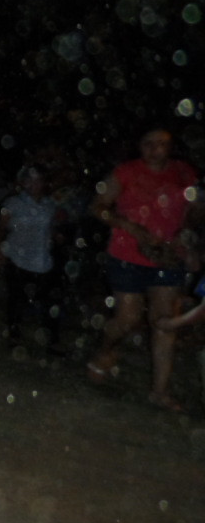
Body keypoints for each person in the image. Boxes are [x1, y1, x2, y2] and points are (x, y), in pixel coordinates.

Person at [85, 124, 198, 411]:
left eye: (162, 143)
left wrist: (186, 235)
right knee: (127, 318)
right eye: (149, 143)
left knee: (164, 323)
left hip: (168, 257)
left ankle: (159, 392)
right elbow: (98, 206)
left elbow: (194, 212)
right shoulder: (126, 172)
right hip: (127, 254)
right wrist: (129, 226)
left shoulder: (184, 174)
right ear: (140, 145)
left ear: (171, 147)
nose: (155, 149)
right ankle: (105, 351)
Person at [0, 165, 68, 350]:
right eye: (31, 180)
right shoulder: (12, 203)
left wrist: (57, 235)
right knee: (16, 300)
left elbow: (50, 227)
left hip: (43, 260)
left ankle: (53, 341)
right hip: (18, 258)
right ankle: (14, 336)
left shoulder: (49, 205)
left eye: (38, 180)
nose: (34, 184)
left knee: (50, 303)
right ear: (24, 183)